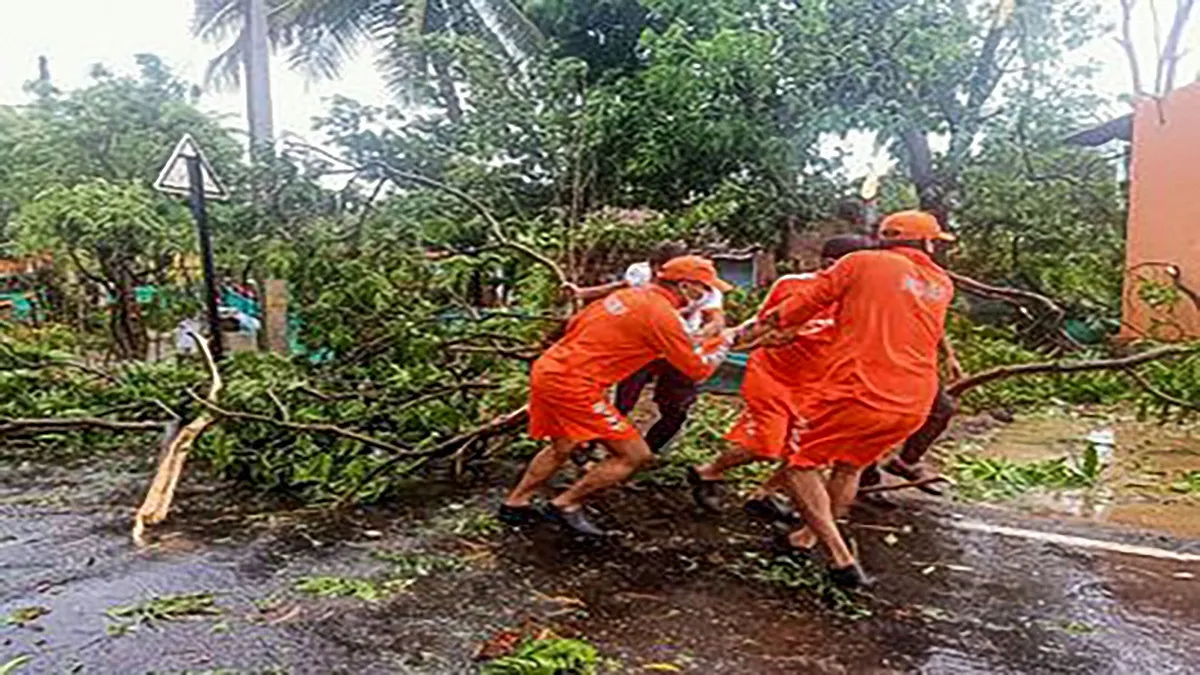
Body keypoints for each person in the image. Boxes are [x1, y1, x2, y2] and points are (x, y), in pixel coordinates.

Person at [748, 210, 955, 588]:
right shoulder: (941, 283)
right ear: (925, 244)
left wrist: (762, 327)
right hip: (914, 400)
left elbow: (800, 307)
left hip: (858, 390)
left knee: (798, 463)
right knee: (848, 467)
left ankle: (840, 558)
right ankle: (804, 537)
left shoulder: (860, 263)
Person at [502, 256, 735, 536]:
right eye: (704, 288)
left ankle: (515, 504)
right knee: (634, 456)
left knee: (562, 447)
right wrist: (724, 341)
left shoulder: (627, 295)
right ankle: (566, 504)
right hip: (575, 384)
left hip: (550, 369)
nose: (708, 296)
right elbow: (697, 370)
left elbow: (574, 324)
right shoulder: (662, 315)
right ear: (685, 286)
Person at [688, 235, 877, 518]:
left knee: (802, 452)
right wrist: (732, 339)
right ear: (830, 264)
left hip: (817, 384)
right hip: (772, 375)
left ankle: (766, 493)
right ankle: (707, 472)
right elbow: (763, 322)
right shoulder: (792, 285)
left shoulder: (864, 299)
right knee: (767, 445)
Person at [564, 241, 726, 454]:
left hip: (678, 345)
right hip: (643, 346)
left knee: (677, 406)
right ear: (653, 267)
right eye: (659, 271)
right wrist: (584, 293)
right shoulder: (640, 275)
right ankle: (593, 445)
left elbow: (716, 320)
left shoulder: (701, 285)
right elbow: (621, 288)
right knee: (623, 399)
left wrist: (700, 335)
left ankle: (648, 453)